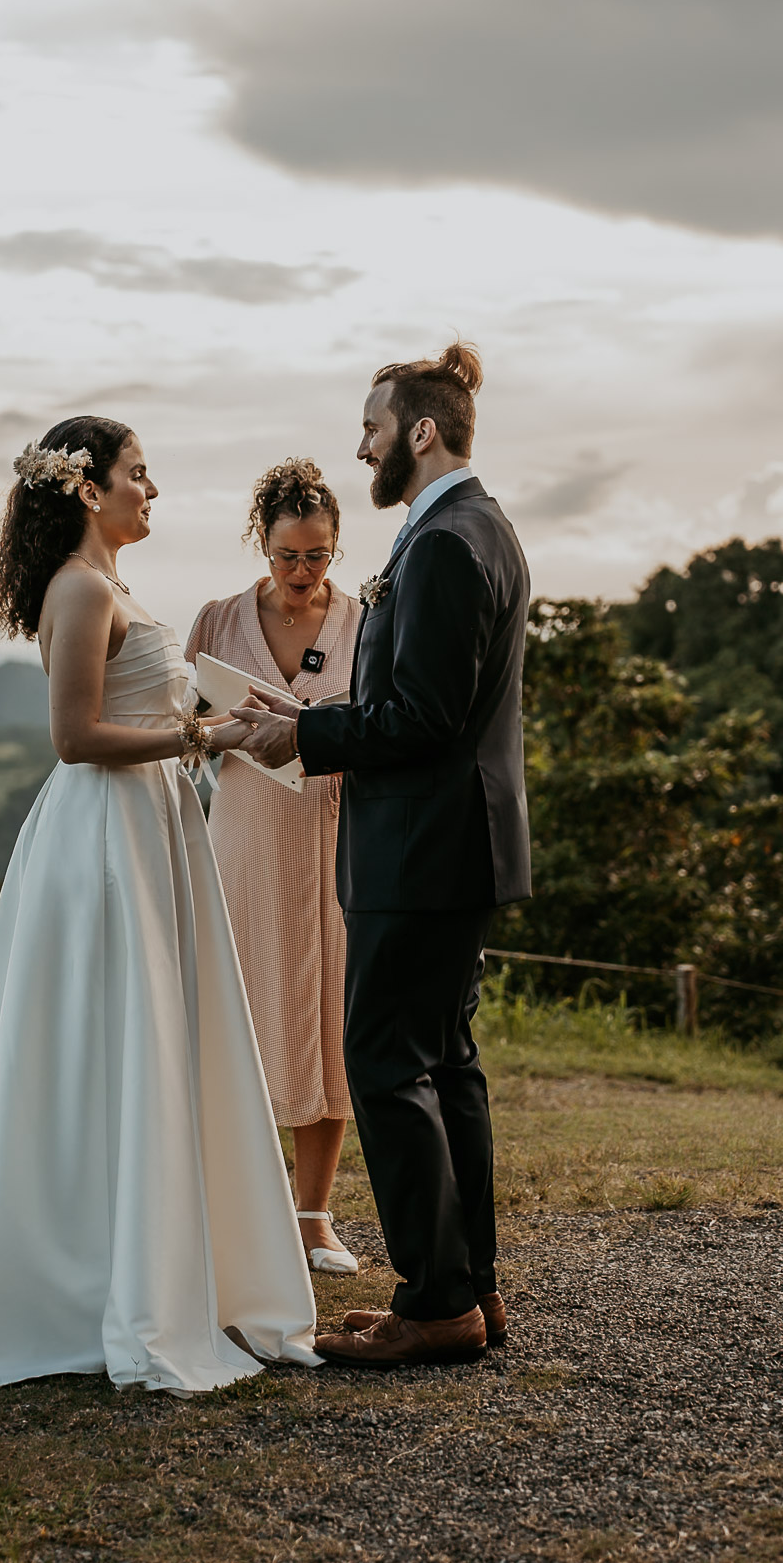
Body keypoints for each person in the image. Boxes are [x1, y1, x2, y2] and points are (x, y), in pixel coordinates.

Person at [0, 417, 320, 1396]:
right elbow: (77, 736)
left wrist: (216, 728)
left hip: (147, 829)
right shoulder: (82, 589)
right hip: (104, 841)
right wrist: (205, 738)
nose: (152, 489)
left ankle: (142, 1259)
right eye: (139, 473)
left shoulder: (108, 585)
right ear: (88, 489)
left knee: (143, 1045)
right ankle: (87, 1276)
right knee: (105, 1045)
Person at [231, 342, 531, 1368]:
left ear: (420, 431)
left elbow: (427, 718)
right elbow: (422, 705)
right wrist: (314, 720)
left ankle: (435, 1300)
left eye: (370, 428)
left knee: (387, 1063)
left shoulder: (445, 540)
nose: (360, 447)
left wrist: (304, 737)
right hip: (457, 844)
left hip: (424, 846)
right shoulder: (476, 526)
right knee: (446, 1066)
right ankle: (470, 1290)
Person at [185, 460, 362, 1276]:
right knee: (242, 1015)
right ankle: (233, 1208)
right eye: (287, 555)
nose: (301, 573)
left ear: (336, 548)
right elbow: (179, 730)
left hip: (332, 838)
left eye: (317, 556)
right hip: (245, 839)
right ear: (262, 544)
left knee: (327, 1024)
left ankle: (311, 1216)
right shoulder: (218, 620)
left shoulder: (363, 622)